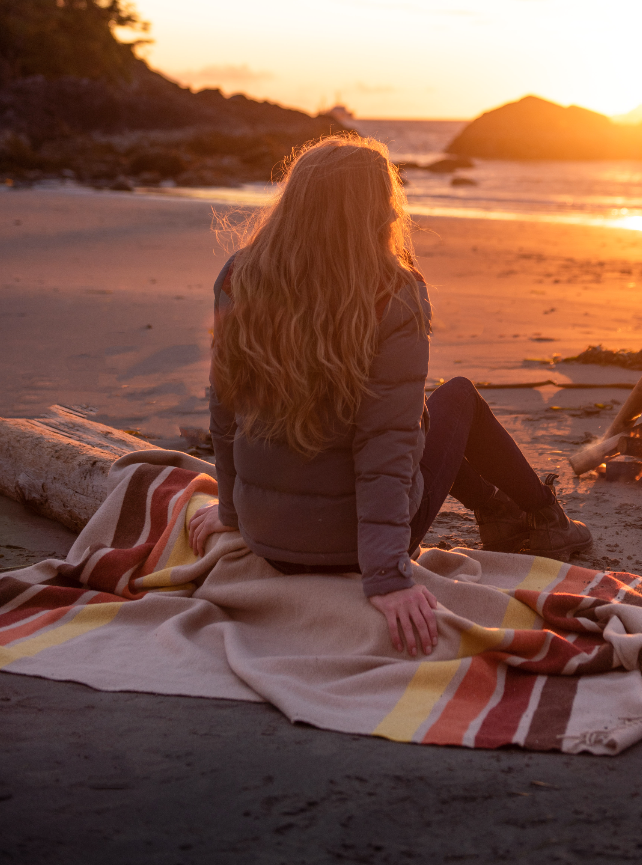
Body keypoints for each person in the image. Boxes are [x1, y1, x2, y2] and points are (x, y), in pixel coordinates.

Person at [188, 136, 593, 659]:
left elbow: (224, 412)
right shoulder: (391, 292)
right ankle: (543, 518)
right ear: (378, 209)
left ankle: (499, 513)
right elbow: (385, 449)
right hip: (352, 552)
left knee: (407, 414)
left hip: (269, 537)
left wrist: (232, 511)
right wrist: (386, 576)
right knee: (457, 399)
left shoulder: (239, 275)